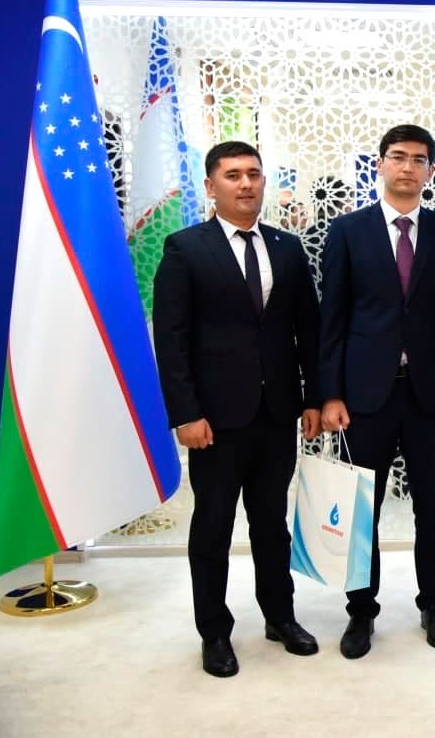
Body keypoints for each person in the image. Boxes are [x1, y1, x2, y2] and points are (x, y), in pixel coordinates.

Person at [152, 141, 322, 678]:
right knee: (213, 529)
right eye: (232, 175)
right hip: (215, 420)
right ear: (211, 186)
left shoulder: (288, 247)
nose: (246, 184)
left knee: (272, 525)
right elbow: (172, 340)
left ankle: (280, 616)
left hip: (277, 414)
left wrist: (313, 398)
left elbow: (308, 331)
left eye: (253, 173)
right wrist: (185, 413)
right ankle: (214, 632)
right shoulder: (186, 248)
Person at [319, 124, 435, 659]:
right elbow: (332, 317)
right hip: (363, 396)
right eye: (398, 157)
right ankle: (361, 611)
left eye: (419, 159)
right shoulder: (348, 231)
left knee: (432, 506)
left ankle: (434, 604)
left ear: (430, 170)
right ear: (381, 164)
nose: (408, 167)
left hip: (431, 394)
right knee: (361, 509)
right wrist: (330, 394)